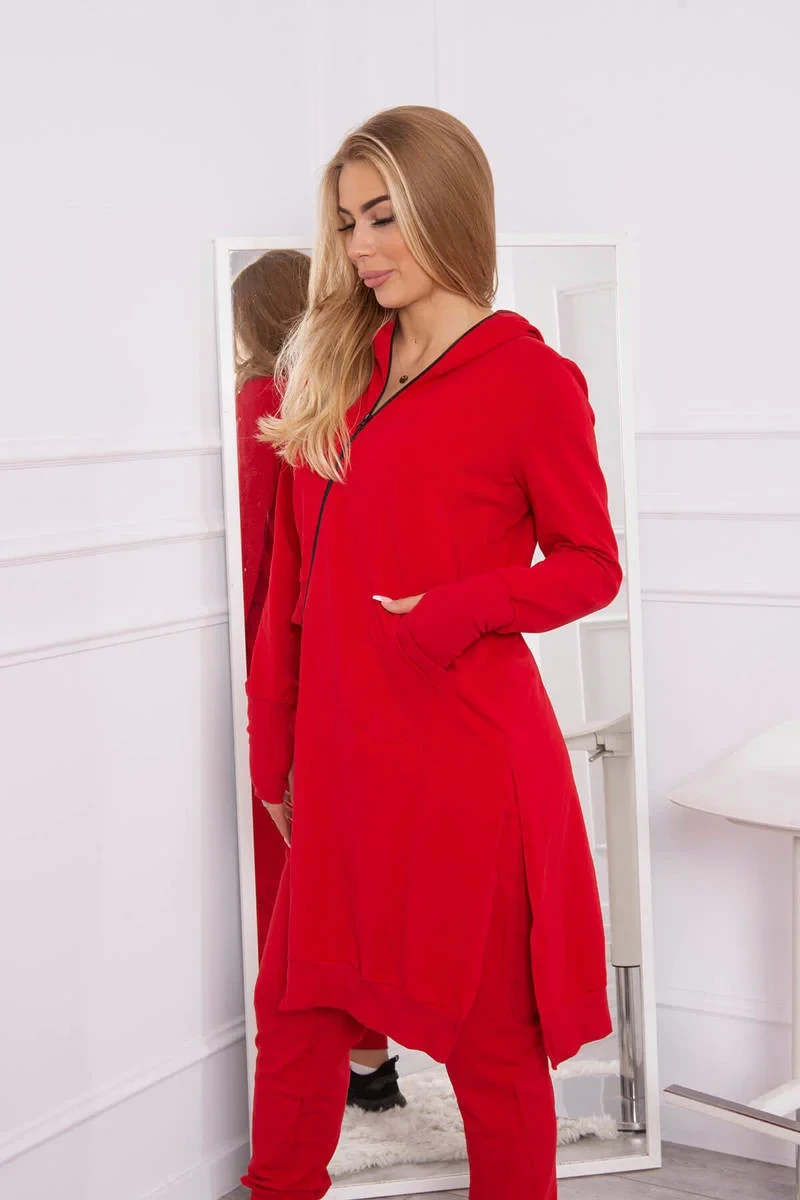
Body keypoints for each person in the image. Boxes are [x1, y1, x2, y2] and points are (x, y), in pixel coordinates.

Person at [242, 105, 622, 1200]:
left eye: (384, 217)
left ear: (447, 211)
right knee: (297, 1014)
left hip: (467, 767)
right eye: (347, 222)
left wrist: (456, 609)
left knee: (493, 1046)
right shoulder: (335, 372)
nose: (361, 247)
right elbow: (293, 592)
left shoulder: (529, 381)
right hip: (344, 762)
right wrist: (277, 755)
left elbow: (590, 566)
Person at [232, 250, 404, 1112]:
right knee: (351, 867)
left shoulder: (262, 405)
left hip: (279, 659)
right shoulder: (364, 394)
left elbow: (255, 553)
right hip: (359, 656)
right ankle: (371, 1062)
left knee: (295, 872)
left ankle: (329, 1073)